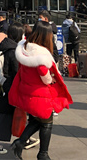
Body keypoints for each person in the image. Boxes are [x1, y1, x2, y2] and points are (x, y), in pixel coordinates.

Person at [9, 21, 73, 160]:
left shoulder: (25, 48)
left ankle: (20, 142)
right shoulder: (41, 56)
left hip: (27, 91)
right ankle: (43, 154)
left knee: (37, 121)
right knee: (47, 123)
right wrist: (52, 79)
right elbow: (45, 78)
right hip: (40, 94)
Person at [0, 22, 40, 155]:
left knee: (14, 114)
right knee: (6, 116)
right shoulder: (13, 51)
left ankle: (24, 138)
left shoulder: (6, 45)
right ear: (18, 35)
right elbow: (17, 72)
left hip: (2, 87)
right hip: (8, 88)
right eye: (22, 34)